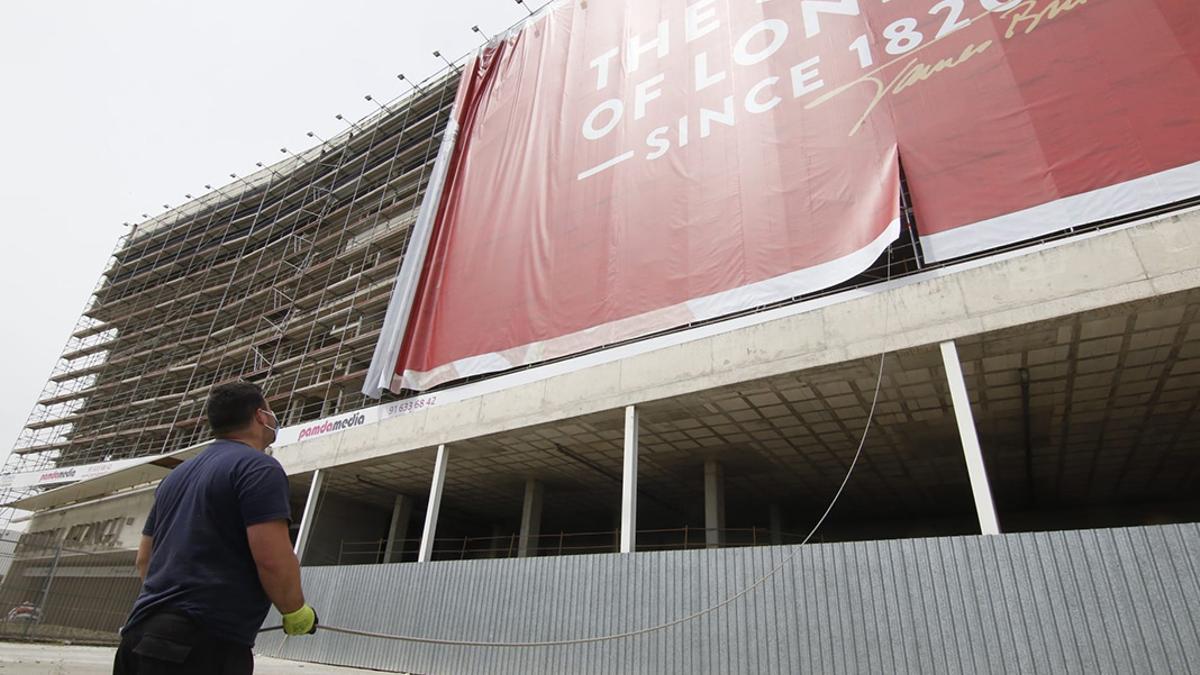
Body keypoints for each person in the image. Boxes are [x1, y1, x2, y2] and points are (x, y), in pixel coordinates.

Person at [114, 381, 319, 674]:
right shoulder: (259, 468)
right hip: (202, 646)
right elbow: (273, 559)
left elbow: (145, 558)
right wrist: (295, 611)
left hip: (137, 637)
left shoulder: (175, 477)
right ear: (261, 417)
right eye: (272, 412)